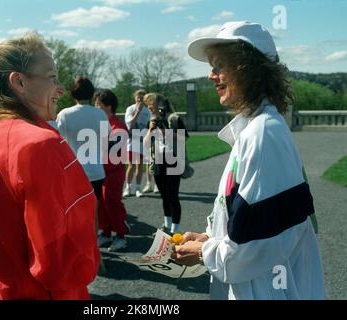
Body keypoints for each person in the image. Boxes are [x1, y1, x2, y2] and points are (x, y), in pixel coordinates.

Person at [172, 21, 325, 300]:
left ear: (248, 69)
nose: (211, 75)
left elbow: (256, 247)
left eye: (219, 65)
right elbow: (246, 225)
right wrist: (209, 239)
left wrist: (204, 252)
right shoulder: (257, 129)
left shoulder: (263, 133)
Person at [0, 34, 100, 300]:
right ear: (18, 82)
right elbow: (61, 261)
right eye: (52, 77)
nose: (61, 88)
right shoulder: (41, 144)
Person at [56, 76, 109, 201]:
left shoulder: (64, 114)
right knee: (94, 211)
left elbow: (58, 142)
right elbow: (105, 142)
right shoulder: (100, 114)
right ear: (91, 93)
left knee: (76, 213)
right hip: (96, 172)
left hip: (74, 172)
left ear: (73, 93)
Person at [143, 94, 188, 235]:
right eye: (147, 104)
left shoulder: (173, 118)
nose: (149, 107)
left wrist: (166, 132)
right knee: (164, 195)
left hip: (173, 160)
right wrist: (151, 130)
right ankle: (167, 225)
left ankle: (175, 229)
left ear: (159, 104)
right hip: (158, 161)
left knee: (172, 195)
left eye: (150, 103)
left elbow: (184, 138)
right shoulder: (152, 121)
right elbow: (145, 143)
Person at [94, 89, 130, 252]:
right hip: (101, 170)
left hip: (114, 171)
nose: (95, 108)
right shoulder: (98, 124)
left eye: (98, 105)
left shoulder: (118, 125)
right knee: (100, 202)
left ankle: (120, 235)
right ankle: (106, 232)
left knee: (112, 201)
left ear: (108, 107)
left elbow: (113, 152)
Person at [123, 89, 151, 198]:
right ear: (135, 98)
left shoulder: (147, 111)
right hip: (132, 139)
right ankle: (128, 187)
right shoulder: (130, 109)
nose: (139, 99)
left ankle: (138, 188)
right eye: (138, 97)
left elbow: (149, 125)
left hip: (142, 140)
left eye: (142, 97)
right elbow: (130, 124)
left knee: (139, 165)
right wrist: (138, 112)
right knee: (131, 165)